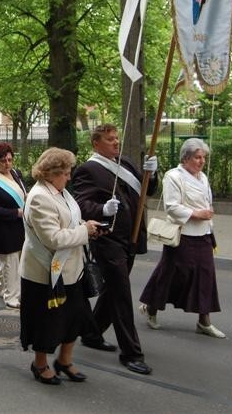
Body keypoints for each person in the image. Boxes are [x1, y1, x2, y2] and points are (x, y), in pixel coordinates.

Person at [71, 124, 158, 375]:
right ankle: (131, 353)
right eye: (110, 139)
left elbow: (147, 192)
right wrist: (102, 210)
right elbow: (81, 205)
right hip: (107, 240)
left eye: (116, 138)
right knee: (121, 293)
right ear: (96, 143)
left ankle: (91, 333)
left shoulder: (126, 162)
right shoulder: (88, 169)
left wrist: (152, 175)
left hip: (130, 238)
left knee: (112, 291)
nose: (116, 142)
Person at [20, 147, 101, 385]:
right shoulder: (39, 198)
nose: (69, 177)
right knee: (47, 323)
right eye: (65, 172)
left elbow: (71, 220)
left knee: (75, 318)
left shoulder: (60, 191)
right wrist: (84, 232)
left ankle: (64, 361)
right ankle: (40, 363)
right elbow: (53, 238)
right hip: (45, 273)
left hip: (71, 270)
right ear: (50, 173)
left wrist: (89, 226)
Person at [139, 138, 225, 338]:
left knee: (206, 276)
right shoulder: (173, 176)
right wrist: (198, 214)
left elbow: (206, 201)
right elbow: (172, 206)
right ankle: (151, 308)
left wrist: (208, 213)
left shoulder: (202, 177)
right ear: (186, 158)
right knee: (171, 274)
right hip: (181, 235)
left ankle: (204, 321)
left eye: (203, 157)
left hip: (203, 234)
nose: (201, 161)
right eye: (197, 157)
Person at [0, 142, 26, 309]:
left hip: (20, 226)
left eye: (9, 159)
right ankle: (11, 297)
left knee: (14, 261)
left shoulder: (16, 173)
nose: (7, 164)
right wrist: (16, 212)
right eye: (2, 161)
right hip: (3, 228)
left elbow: (21, 192)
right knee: (11, 262)